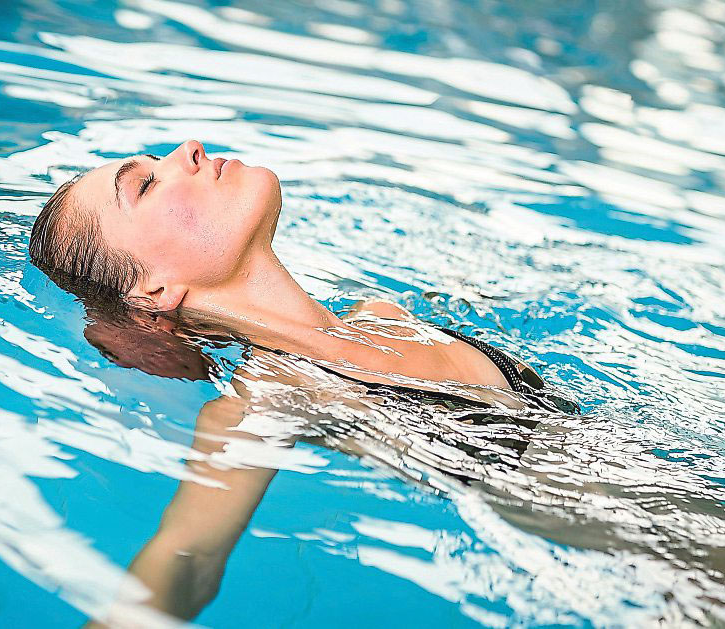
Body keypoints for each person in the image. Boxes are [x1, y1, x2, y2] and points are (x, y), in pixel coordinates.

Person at [29, 139, 579, 622]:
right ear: (153, 290)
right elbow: (185, 564)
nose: (189, 148)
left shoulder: (382, 314)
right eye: (146, 185)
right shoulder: (269, 395)